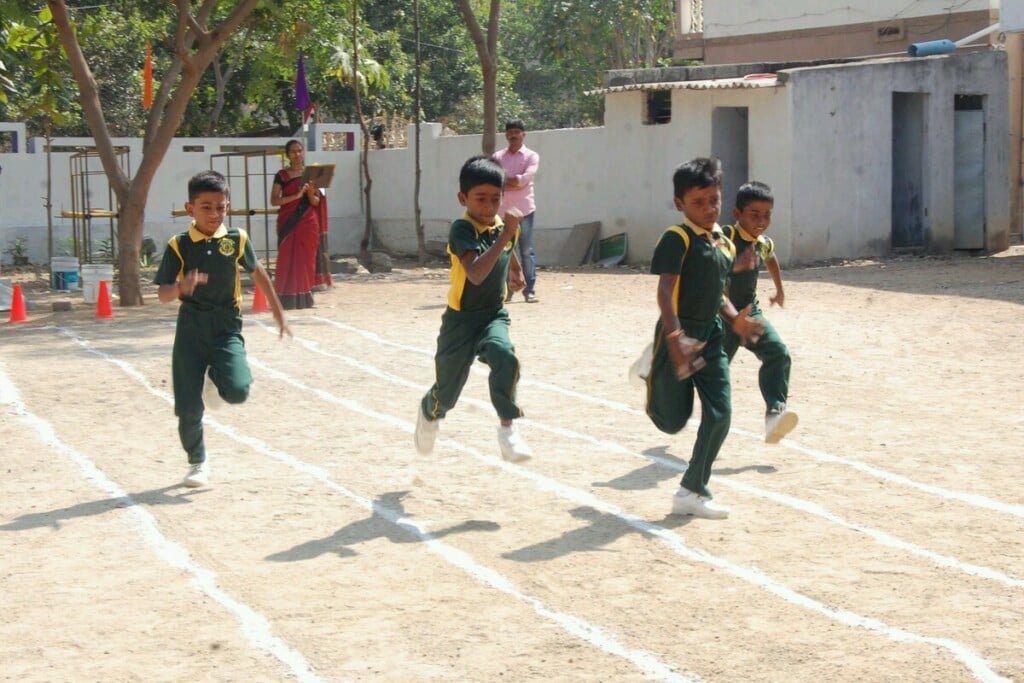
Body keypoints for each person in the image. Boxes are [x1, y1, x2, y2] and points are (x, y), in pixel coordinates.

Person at [643, 157, 763, 520]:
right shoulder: (677, 239)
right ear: (680, 203)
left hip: (711, 336)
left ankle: (692, 490)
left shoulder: (724, 242)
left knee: (720, 413)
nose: (709, 208)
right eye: (698, 202)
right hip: (679, 333)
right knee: (671, 420)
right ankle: (654, 371)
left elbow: (718, 293)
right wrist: (675, 337)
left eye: (714, 200)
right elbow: (665, 292)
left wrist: (735, 320)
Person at [154, 170, 290, 488]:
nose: (215, 214)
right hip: (191, 329)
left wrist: (278, 313)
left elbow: (259, 274)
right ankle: (197, 461)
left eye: (221, 207)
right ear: (190, 208)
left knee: (239, 391)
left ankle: (215, 379)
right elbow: (162, 293)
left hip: (227, 326)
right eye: (206, 207)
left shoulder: (236, 239)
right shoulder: (179, 245)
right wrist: (181, 287)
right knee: (188, 406)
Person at [414, 155, 533, 463]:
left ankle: (508, 430)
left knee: (505, 356)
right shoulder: (462, 230)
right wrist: (506, 234)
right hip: (461, 322)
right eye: (480, 199)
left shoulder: (504, 226)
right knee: (447, 391)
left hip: (493, 314)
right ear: (463, 198)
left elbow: (508, 246)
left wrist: (516, 270)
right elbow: (476, 274)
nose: (489, 206)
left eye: (496, 199)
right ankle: (429, 412)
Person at [722, 181, 798, 444]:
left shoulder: (762, 243)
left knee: (778, 353)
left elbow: (771, 258)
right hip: (721, 316)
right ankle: (660, 373)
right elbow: (708, 269)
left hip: (749, 313)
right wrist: (736, 265)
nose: (762, 222)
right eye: (755, 215)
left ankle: (775, 414)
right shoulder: (725, 238)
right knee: (708, 372)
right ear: (737, 213)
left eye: (767, 215)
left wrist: (780, 290)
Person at [271, 139, 329, 309]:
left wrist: (310, 193)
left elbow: (316, 202)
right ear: (287, 155)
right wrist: (296, 196)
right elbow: (274, 200)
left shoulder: (312, 174)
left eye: (299, 150)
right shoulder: (282, 175)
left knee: (306, 259)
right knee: (286, 258)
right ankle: (285, 298)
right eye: (293, 151)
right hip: (288, 222)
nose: (297, 154)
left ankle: (305, 297)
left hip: (308, 222)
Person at [493, 119, 540, 303]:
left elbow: (524, 181)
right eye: (510, 132)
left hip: (524, 211)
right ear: (506, 135)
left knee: (526, 251)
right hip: (502, 213)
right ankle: (507, 291)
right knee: (504, 251)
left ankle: (529, 290)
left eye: (516, 132)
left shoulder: (531, 156)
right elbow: (495, 181)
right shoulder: (497, 157)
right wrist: (514, 181)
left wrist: (506, 182)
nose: (513, 135)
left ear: (523, 134)